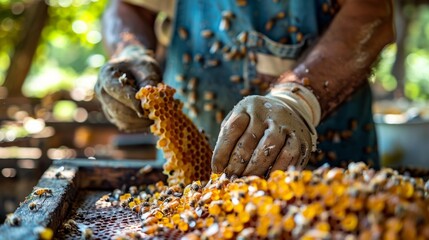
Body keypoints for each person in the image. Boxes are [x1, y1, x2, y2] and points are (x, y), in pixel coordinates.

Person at [95, 0, 394, 177]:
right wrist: (130, 52)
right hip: (192, 175)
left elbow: (371, 11)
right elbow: (127, 6)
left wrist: (299, 100)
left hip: (331, 169)